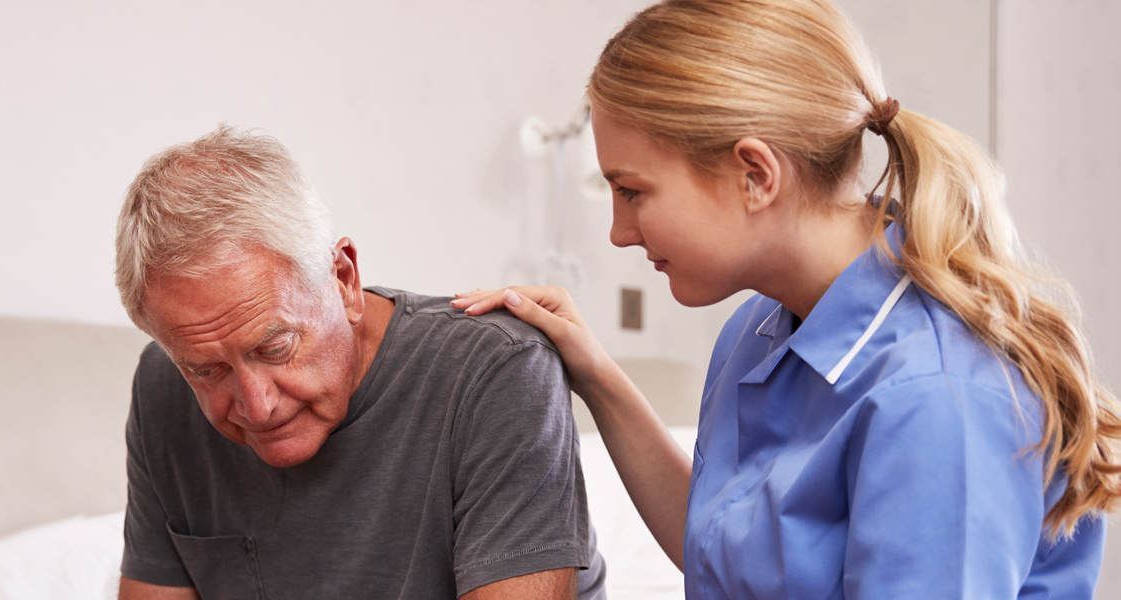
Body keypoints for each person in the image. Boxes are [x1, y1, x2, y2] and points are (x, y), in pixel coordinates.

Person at [451, 0, 1121, 598]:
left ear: (755, 174)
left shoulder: (937, 395)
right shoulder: (758, 332)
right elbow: (720, 561)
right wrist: (597, 375)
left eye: (633, 192)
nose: (619, 233)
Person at [112, 126, 607, 600]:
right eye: (206, 370)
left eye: (274, 347)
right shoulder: (163, 387)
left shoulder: (498, 371)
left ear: (343, 279)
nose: (257, 407)